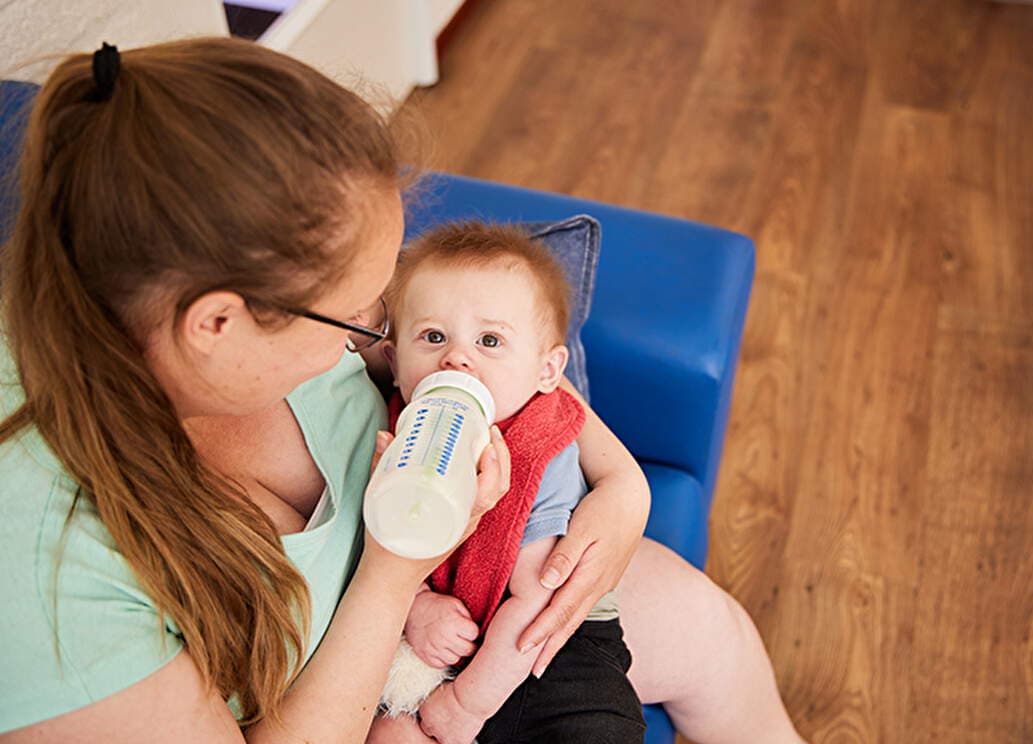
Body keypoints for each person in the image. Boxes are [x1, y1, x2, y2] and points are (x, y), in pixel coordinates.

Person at [0, 37, 802, 744]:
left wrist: (621, 485)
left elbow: (471, 365)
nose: (376, 334)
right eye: (353, 312)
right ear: (217, 324)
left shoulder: (217, 310)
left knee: (712, 636)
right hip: (362, 689)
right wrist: (392, 574)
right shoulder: (41, 579)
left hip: (472, 579)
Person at [376, 221, 645, 743]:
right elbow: (366, 556)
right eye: (433, 337)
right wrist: (416, 607)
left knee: (597, 728)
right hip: (432, 650)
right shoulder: (388, 434)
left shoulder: (540, 446)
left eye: (490, 340)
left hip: (546, 648)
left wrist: (467, 702)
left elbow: (536, 597)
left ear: (548, 373)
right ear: (394, 363)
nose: (457, 358)